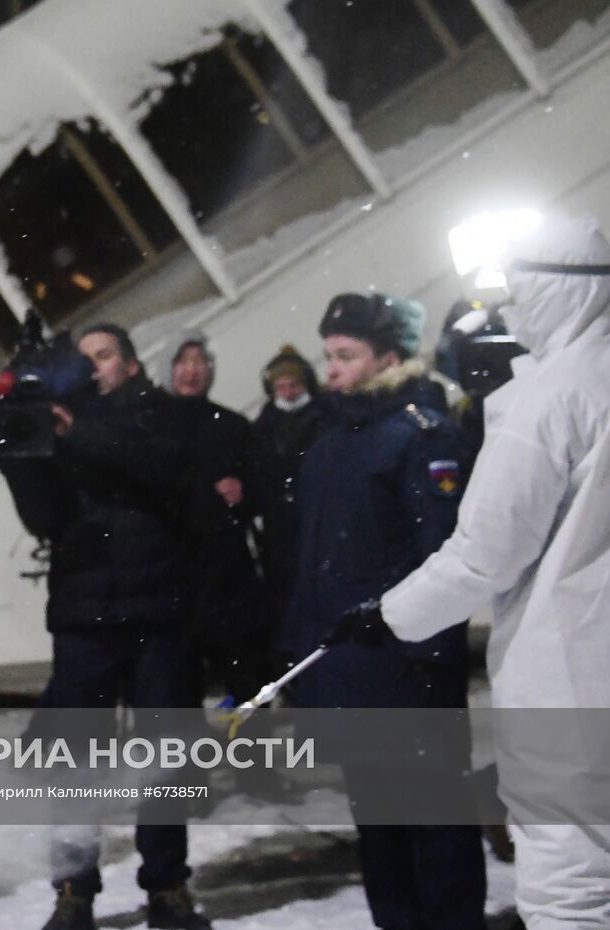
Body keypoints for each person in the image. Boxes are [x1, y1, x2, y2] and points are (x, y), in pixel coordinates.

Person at [329, 214, 610, 929]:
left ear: (547, 292)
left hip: (573, 678)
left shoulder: (552, 398)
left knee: (572, 886)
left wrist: (390, 616)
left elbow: (486, 550)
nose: (504, 312)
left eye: (513, 292)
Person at [283, 292, 487, 930]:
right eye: (328, 355)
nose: (332, 369)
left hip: (406, 673)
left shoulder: (421, 438)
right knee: (379, 824)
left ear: (390, 357)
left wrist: (429, 662)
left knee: (436, 820)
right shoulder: (329, 444)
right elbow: (316, 568)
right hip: (350, 672)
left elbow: (441, 560)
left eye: (346, 355)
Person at [0, 322, 205, 930]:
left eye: (104, 355)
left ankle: (167, 884)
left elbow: (160, 468)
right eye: (83, 358)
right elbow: (44, 520)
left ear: (131, 365)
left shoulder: (158, 413)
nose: (93, 368)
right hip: (84, 615)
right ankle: (74, 889)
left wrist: (74, 432)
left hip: (158, 610)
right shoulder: (61, 423)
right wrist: (20, 452)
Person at [165, 334, 270, 718]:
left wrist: (243, 492)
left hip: (228, 575)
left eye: (200, 362)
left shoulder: (231, 426)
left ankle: (255, 767)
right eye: (182, 361)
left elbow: (265, 488)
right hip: (172, 578)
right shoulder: (150, 427)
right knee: (178, 686)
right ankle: (188, 773)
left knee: (247, 678)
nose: (191, 371)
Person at [251, 345, 329, 635]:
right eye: (280, 386)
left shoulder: (326, 416)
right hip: (282, 526)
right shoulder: (264, 426)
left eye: (292, 385)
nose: (287, 392)